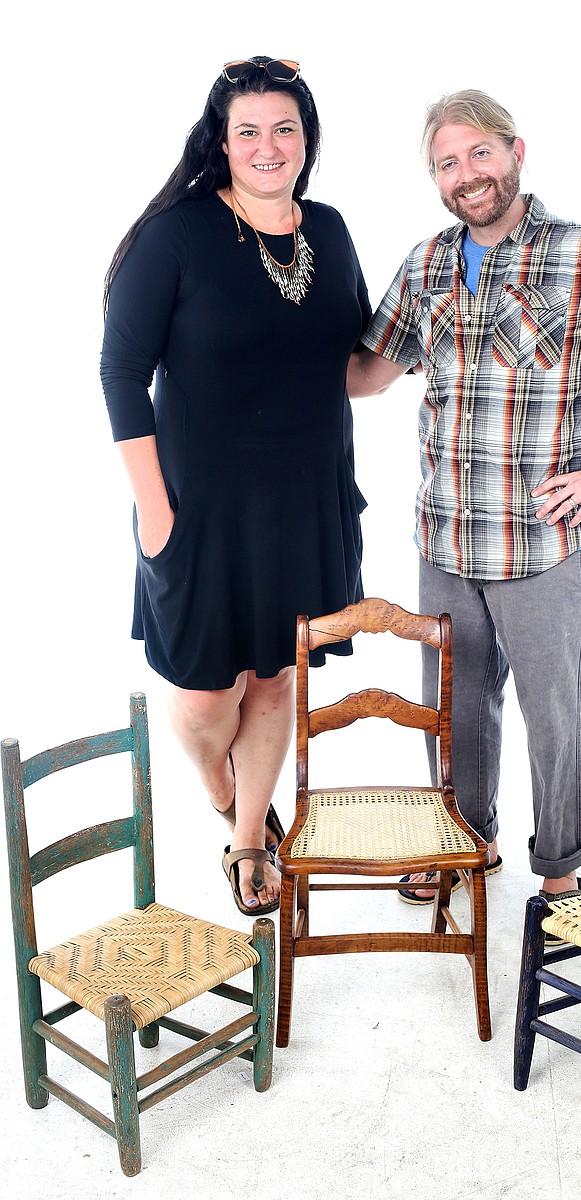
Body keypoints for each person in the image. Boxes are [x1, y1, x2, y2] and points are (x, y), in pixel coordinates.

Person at [347, 89, 581, 907]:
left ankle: (561, 865)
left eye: (480, 153)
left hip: (545, 542)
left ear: (516, 152)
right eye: (448, 162)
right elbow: (368, 371)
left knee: (555, 718)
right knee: (455, 710)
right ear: (435, 179)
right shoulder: (427, 264)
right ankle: (466, 844)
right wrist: (277, 350)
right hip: (445, 539)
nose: (466, 174)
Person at [101, 57, 370, 915]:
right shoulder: (175, 236)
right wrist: (154, 508)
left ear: (307, 140)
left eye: (284, 128)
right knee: (207, 696)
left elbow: (354, 369)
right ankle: (224, 796)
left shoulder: (329, 228)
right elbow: (119, 374)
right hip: (200, 513)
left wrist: (432, 340)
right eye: (249, 129)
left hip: (306, 503)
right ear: (222, 141)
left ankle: (250, 841)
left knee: (277, 679)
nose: (268, 145)